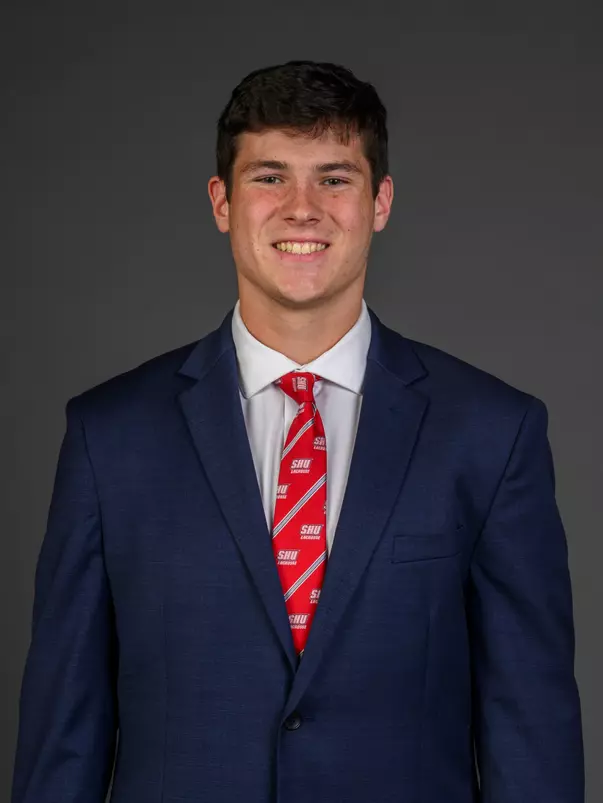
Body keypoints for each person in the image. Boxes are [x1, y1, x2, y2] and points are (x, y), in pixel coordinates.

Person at [11, 59, 584, 803]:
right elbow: (65, 734)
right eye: (269, 176)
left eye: (335, 178)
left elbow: (530, 729)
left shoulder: (490, 432)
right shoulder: (108, 436)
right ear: (221, 201)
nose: (302, 208)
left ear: (379, 201)